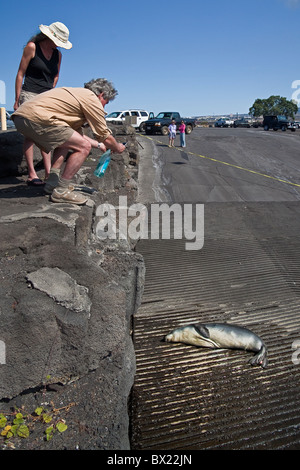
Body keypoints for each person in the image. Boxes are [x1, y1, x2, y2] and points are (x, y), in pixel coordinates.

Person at [12, 78, 126, 205]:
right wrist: (117, 147)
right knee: (83, 147)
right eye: (106, 102)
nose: (105, 105)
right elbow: (104, 135)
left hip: (21, 117)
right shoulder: (91, 99)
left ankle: (52, 184)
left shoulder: (76, 96)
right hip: (37, 118)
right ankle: (61, 191)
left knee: (67, 142)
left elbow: (77, 136)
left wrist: (100, 145)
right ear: (101, 95)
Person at [14, 22, 72, 186]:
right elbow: (20, 73)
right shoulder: (32, 47)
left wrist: (50, 92)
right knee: (31, 134)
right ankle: (32, 174)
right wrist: (17, 98)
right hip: (29, 93)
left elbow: (56, 76)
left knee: (47, 134)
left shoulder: (58, 55)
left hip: (47, 96)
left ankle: (48, 174)